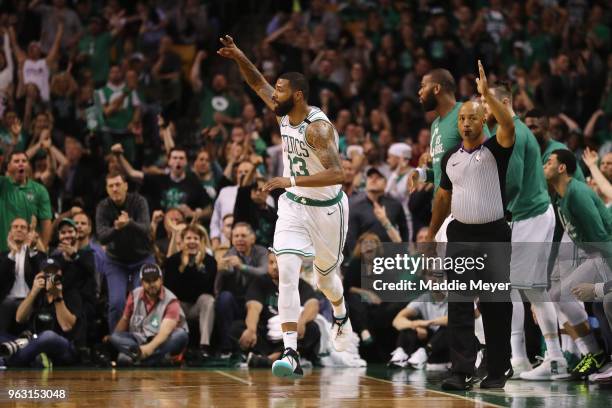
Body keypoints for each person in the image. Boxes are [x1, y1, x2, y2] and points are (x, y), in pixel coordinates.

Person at [218, 34, 352, 378]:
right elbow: (257, 82)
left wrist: (289, 180)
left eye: (279, 91)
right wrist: (238, 56)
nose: (272, 95)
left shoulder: (317, 129)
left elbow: (339, 173)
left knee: (325, 281)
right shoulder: (283, 112)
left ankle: (340, 314)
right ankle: (290, 351)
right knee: (287, 272)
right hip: (293, 205)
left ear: (297, 96)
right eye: (274, 90)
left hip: (327, 209)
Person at [427, 61, 514, 390]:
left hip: (494, 234)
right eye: (462, 118)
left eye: (472, 117)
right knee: (460, 304)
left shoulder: (498, 148)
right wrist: (429, 231)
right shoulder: (450, 156)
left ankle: (497, 369)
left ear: (483, 121)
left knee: (495, 306)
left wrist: (486, 95)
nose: (466, 123)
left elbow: (507, 123)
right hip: (460, 233)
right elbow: (442, 198)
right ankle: (461, 370)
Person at [482, 85, 567, 380]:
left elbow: (513, 182)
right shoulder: (509, 131)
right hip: (531, 214)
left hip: (531, 214)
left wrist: (490, 205)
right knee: (522, 288)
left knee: (527, 288)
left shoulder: (513, 132)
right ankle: (523, 358)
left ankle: (551, 358)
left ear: (504, 103)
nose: (483, 107)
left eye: (487, 101)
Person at [543, 149, 612, 379]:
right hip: (596, 254)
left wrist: (603, 280)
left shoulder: (578, 193)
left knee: (607, 302)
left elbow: (601, 238)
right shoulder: (559, 196)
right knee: (558, 294)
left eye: (549, 162)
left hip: (605, 252)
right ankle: (596, 354)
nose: (544, 166)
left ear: (562, 168)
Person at [233, 253, 320, 368]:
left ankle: (268, 360)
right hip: (266, 336)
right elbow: (253, 307)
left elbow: (313, 305)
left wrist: (302, 322)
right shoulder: (260, 282)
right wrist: (251, 329)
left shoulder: (301, 285)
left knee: (313, 328)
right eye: (271, 263)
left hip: (292, 336)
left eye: (279, 263)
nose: (274, 267)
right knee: (237, 327)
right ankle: (282, 357)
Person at [95, 173, 153, 332]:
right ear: (107, 190)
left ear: (126, 186)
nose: (115, 189)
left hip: (142, 259)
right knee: (116, 303)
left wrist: (129, 223)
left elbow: (146, 229)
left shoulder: (139, 201)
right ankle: (117, 341)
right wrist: (117, 228)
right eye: (111, 186)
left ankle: (144, 339)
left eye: (118, 185)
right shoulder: (103, 206)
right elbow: (102, 237)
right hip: (116, 261)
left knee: (141, 300)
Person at [411, 69, 462, 242]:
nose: (419, 92)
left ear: (437, 89)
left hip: (463, 215)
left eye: (423, 86)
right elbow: (443, 174)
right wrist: (422, 174)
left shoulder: (465, 114)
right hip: (442, 214)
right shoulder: (435, 125)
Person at [109, 263, 189, 366]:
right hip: (138, 340)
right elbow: (125, 319)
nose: (152, 284)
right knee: (115, 337)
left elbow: (164, 333)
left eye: (155, 280)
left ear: (161, 280)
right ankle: (154, 360)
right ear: (142, 282)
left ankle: (137, 358)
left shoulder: (171, 301)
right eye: (147, 281)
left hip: (160, 341)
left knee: (181, 335)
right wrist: (114, 340)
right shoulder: (134, 295)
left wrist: (148, 348)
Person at [9, 258, 83, 367]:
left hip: (63, 345)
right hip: (34, 341)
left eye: (54, 272)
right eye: (47, 272)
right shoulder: (38, 293)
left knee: (48, 336)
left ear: (60, 273)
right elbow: (19, 318)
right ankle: (38, 359)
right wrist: (33, 292)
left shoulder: (71, 293)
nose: (51, 276)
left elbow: (66, 326)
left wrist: (58, 297)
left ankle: (10, 361)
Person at [214, 222, 268, 358]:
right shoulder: (229, 253)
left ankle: (258, 350)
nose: (239, 239)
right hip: (237, 302)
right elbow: (218, 285)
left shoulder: (261, 252)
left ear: (252, 239)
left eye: (243, 236)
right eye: (236, 236)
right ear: (232, 239)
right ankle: (227, 349)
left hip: (258, 301)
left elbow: (264, 272)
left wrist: (241, 266)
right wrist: (222, 271)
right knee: (224, 297)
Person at [164, 225, 217, 360]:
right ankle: (175, 348)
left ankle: (204, 346)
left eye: (196, 238)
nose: (192, 241)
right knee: (171, 301)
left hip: (196, 307)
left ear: (201, 241)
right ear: (181, 241)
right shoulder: (173, 261)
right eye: (188, 238)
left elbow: (206, 288)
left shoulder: (210, 262)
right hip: (178, 306)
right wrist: (185, 266)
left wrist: (195, 267)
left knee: (208, 300)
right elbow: (170, 288)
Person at [389, 269, 450, 370]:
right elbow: (397, 320)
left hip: (448, 343)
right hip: (431, 338)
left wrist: (425, 323)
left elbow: (454, 319)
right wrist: (415, 325)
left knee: (448, 327)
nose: (434, 279)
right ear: (425, 279)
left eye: (438, 275)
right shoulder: (424, 298)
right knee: (409, 323)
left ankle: (425, 353)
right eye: (430, 275)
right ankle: (402, 354)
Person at [0, 151, 53, 252]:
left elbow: (46, 222)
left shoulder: (40, 190)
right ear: (8, 167)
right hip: (3, 251)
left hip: (29, 253)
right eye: (16, 161)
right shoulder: (2, 185)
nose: (21, 163)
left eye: (24, 161)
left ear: (28, 166)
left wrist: (43, 250)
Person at [346, 167, 407, 254]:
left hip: (389, 258)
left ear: (386, 183)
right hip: (365, 259)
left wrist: (403, 253)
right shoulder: (354, 205)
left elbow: (404, 231)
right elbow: (351, 237)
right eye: (370, 177)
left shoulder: (395, 204)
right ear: (366, 182)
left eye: (378, 177)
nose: (373, 180)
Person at [0, 218, 45, 334]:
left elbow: (41, 273)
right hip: (7, 301)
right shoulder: (3, 256)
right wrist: (13, 253)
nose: (19, 229)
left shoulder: (35, 254)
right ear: (10, 232)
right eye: (15, 227)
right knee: (7, 304)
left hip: (29, 300)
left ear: (28, 233)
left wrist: (32, 250)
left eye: (23, 227)